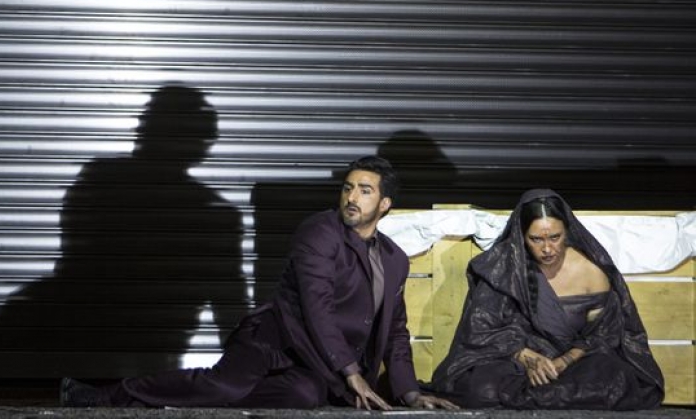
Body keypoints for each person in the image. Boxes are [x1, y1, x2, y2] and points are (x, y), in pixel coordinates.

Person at [61, 155, 458, 409]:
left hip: (318, 361)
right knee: (222, 387)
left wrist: (410, 394)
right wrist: (351, 371)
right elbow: (317, 308)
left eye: (365, 191)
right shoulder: (319, 232)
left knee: (304, 396)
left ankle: (186, 400)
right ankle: (111, 394)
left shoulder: (394, 259)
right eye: (347, 187)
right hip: (273, 338)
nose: (352, 197)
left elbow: (396, 331)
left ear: (384, 204)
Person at [429, 188, 664, 410]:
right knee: (481, 387)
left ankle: (536, 395)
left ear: (567, 231)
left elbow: (602, 334)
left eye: (555, 237)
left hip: (574, 364)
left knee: (614, 378)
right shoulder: (502, 267)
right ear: (522, 236)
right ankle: (545, 395)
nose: (548, 249)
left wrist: (562, 362)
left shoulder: (591, 271)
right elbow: (482, 329)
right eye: (536, 239)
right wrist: (527, 357)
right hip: (514, 361)